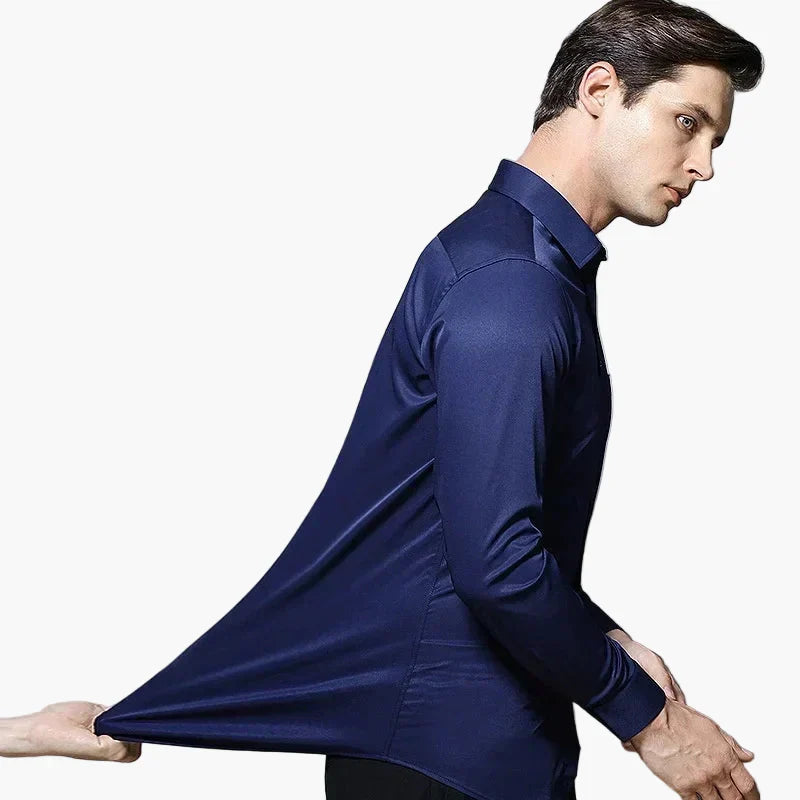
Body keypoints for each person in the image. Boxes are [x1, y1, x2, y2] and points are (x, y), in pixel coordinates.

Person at [2, 1, 764, 798]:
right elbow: (496, 563)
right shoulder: (513, 286)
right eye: (687, 123)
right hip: (445, 760)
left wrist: (605, 638)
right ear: (599, 90)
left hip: (456, 746)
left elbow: (452, 521)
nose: (704, 165)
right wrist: (651, 720)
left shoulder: (511, 261)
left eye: (715, 140)